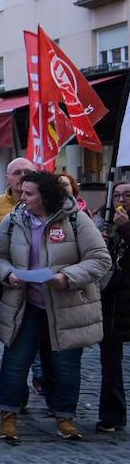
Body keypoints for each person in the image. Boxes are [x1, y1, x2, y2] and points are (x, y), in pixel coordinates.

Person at [0, 171, 111, 441]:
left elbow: (101, 259)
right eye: (22, 192)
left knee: (65, 365)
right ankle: (8, 416)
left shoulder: (76, 219)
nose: (23, 197)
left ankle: (65, 417)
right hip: (24, 304)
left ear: (46, 196)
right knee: (15, 362)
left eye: (29, 193)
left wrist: (67, 277)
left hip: (66, 306)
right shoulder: (13, 220)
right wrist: (8, 274)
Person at [96, 180, 130, 433]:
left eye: (127, 195)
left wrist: (126, 228)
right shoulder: (106, 223)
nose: (121, 200)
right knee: (110, 361)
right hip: (113, 303)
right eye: (117, 195)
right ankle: (112, 415)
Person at [0, 157, 34, 237]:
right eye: (17, 173)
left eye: (28, 172)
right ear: (7, 179)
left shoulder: (44, 206)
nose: (23, 176)